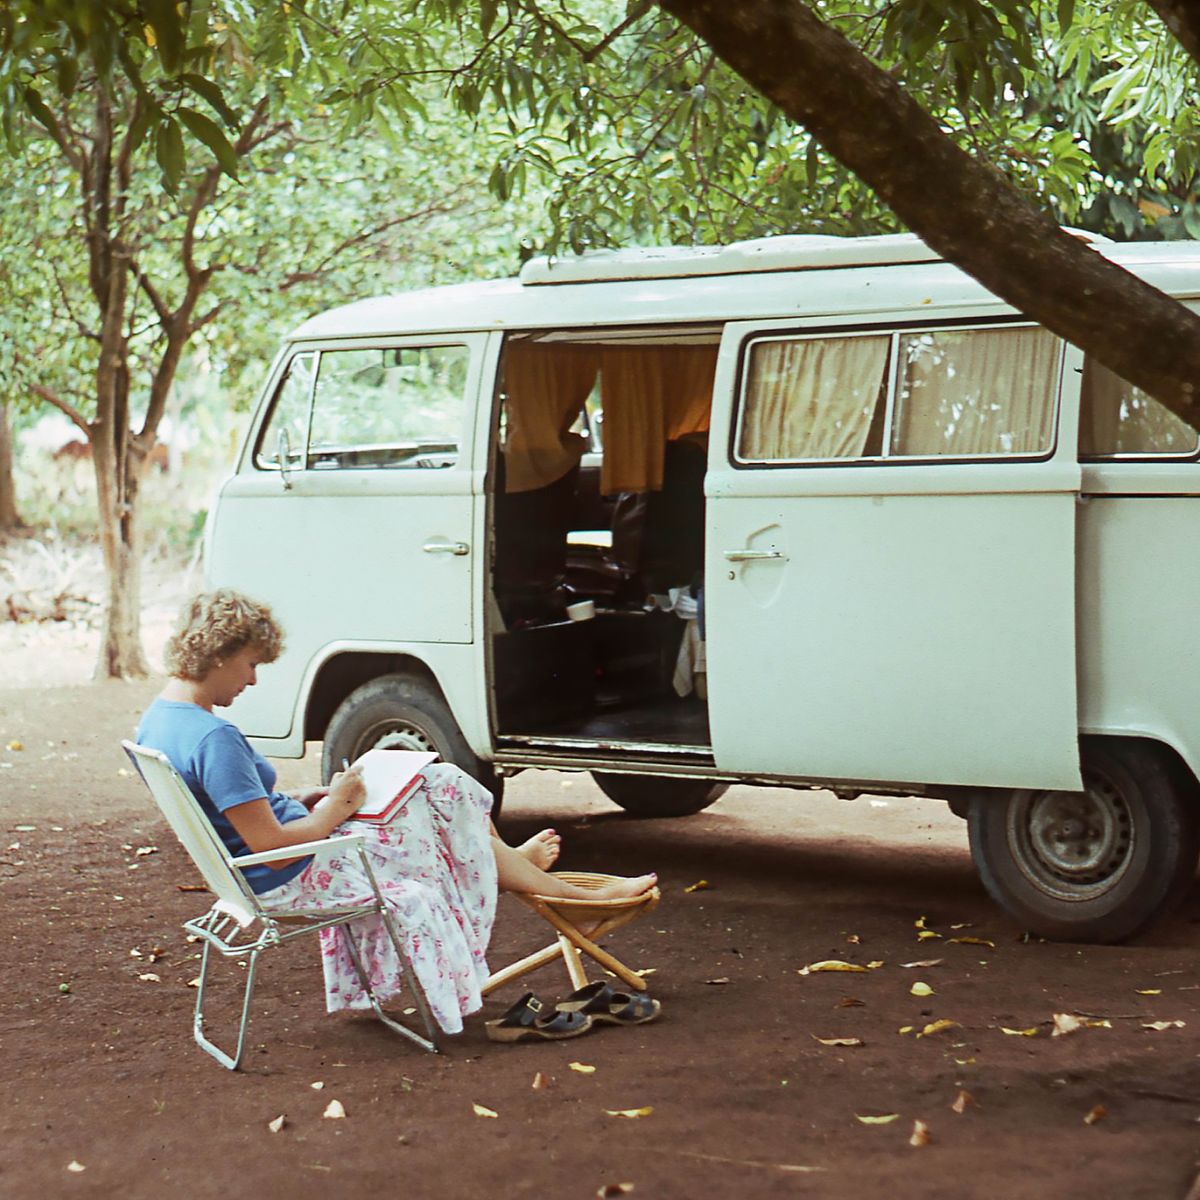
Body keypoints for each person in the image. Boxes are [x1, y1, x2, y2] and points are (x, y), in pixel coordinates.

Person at [137, 589, 657, 1035]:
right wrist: (336, 809)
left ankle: (504, 864)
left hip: (272, 862)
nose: (252, 680)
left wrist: (305, 800)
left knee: (437, 787)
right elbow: (269, 846)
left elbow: (231, 813)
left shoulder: (162, 721)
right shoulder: (215, 738)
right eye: (251, 664)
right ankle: (557, 891)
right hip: (299, 867)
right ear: (221, 654)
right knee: (442, 792)